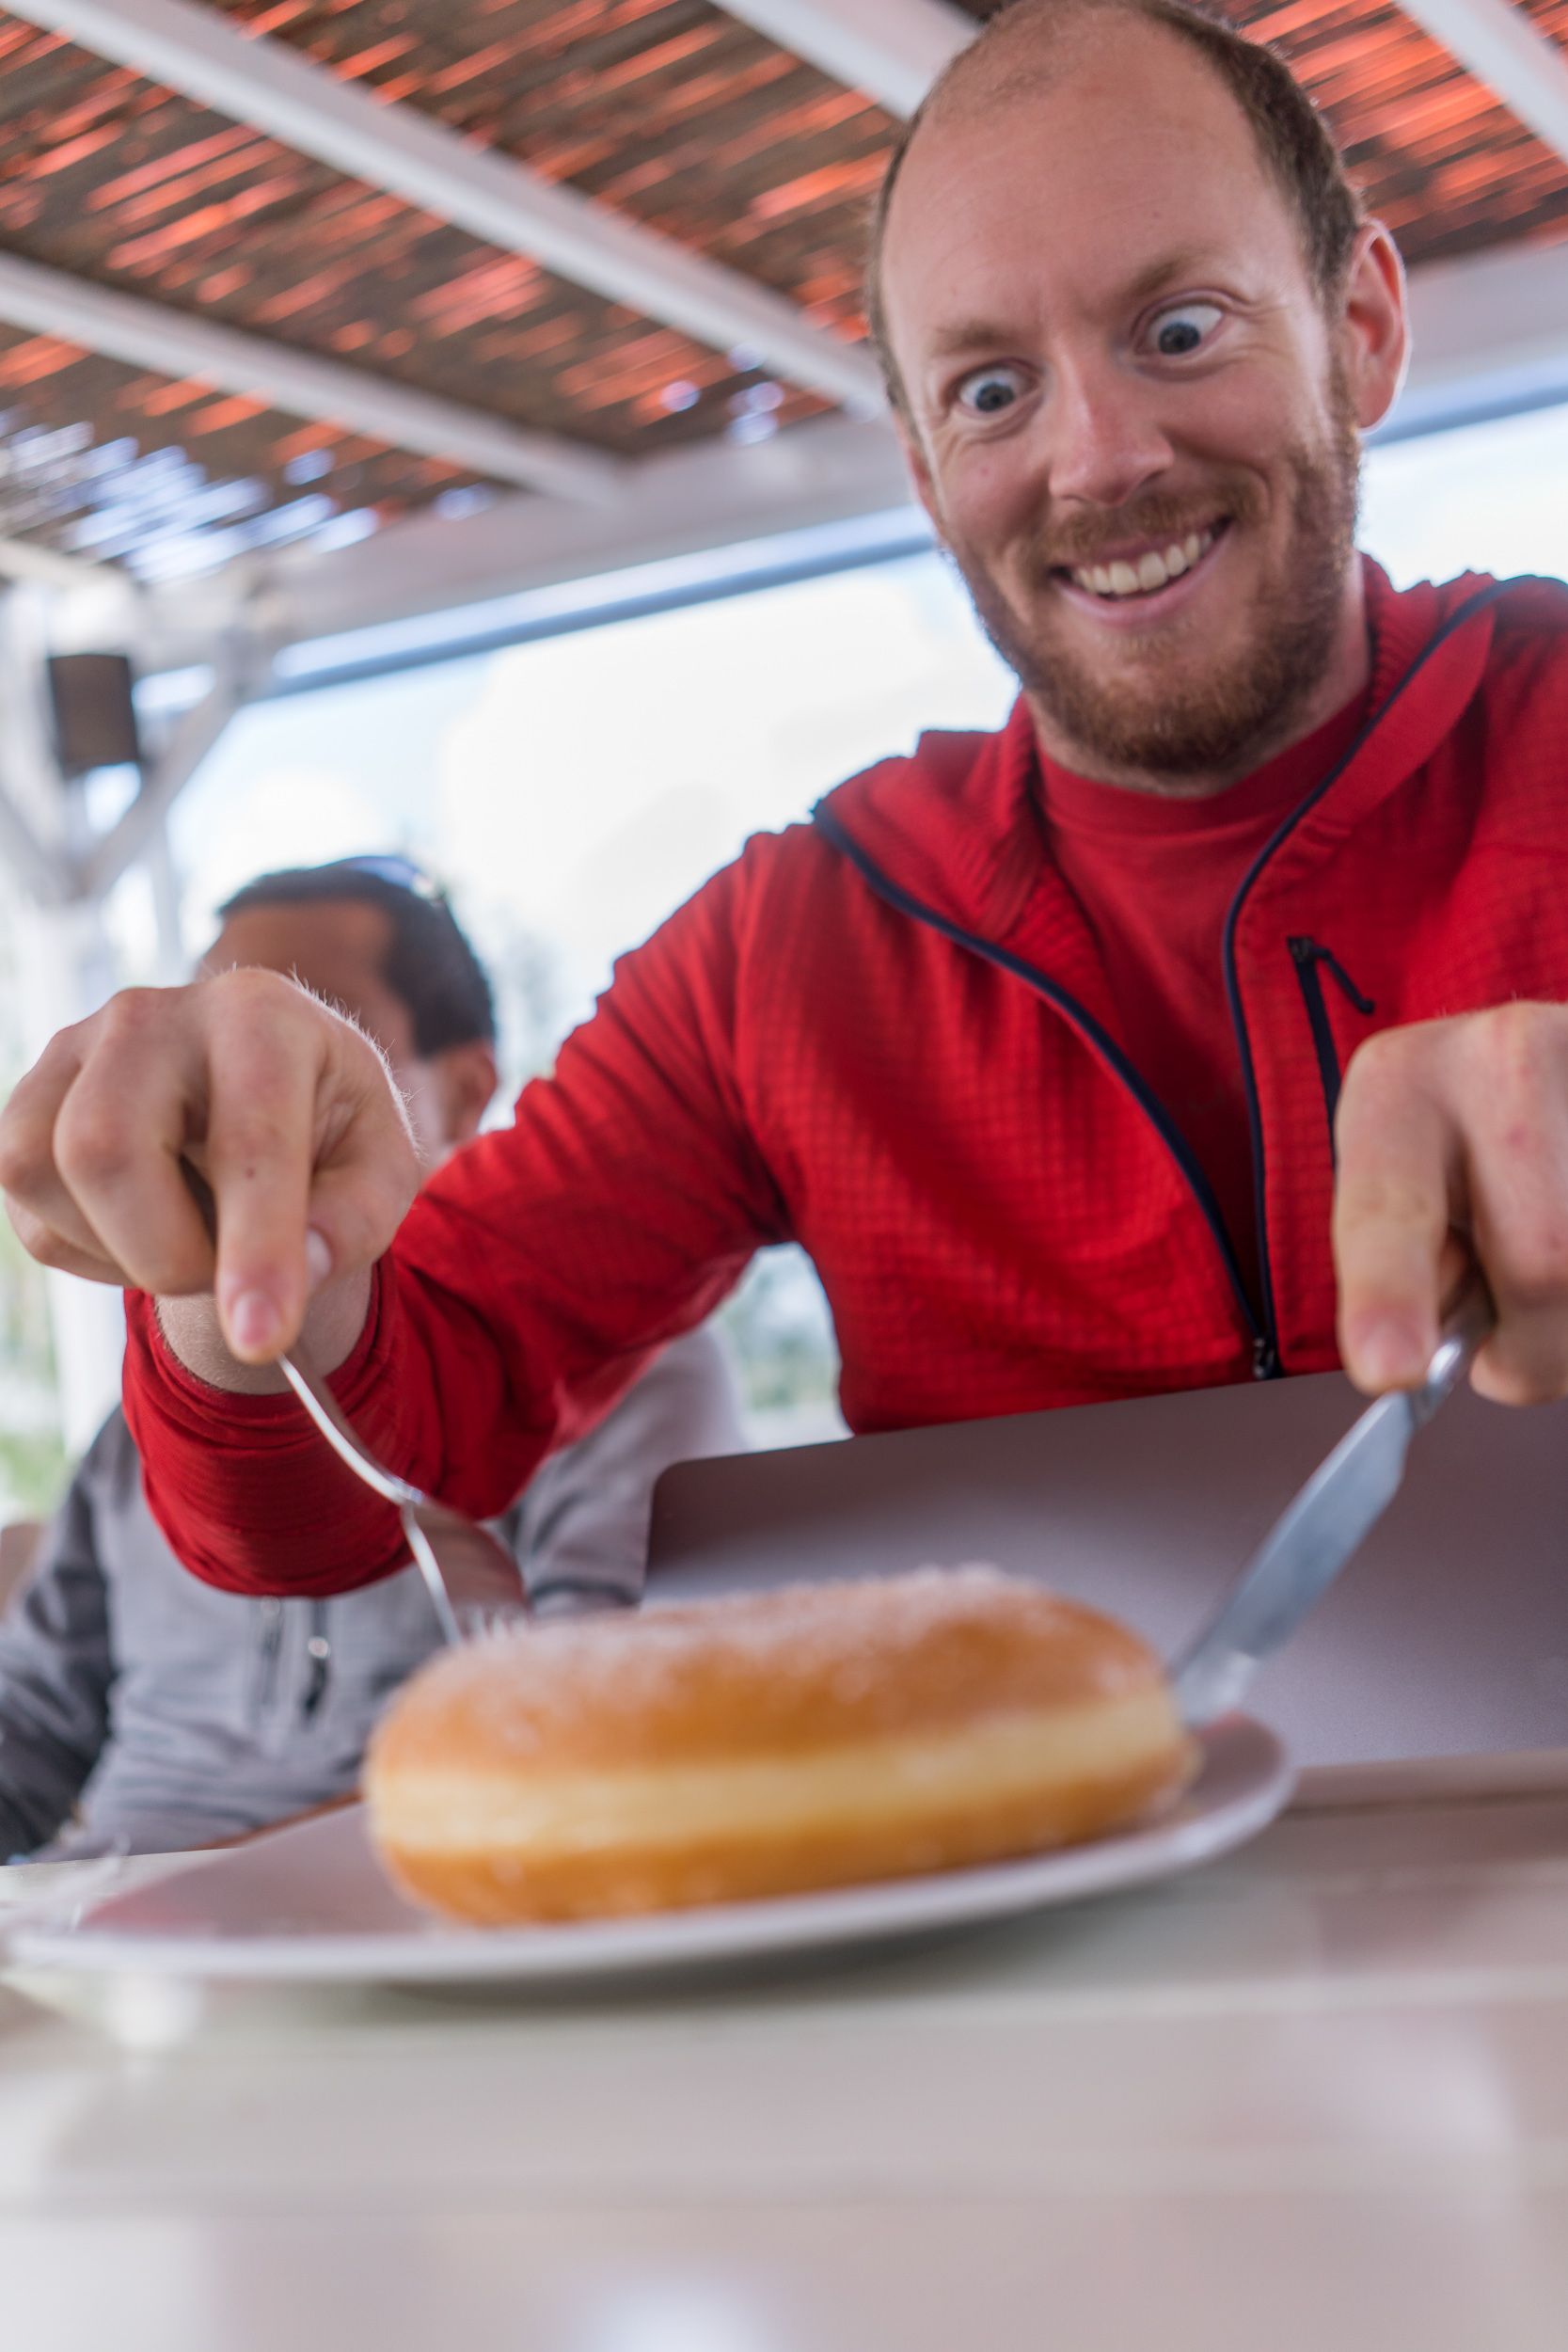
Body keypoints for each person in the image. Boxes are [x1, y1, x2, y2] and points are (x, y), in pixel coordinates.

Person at [3, 0, 1568, 1613]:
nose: (1096, 461)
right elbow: (344, 1482)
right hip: (1059, 1841)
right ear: (917, 469)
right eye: (988, 392)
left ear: (1360, 328)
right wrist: (244, 1247)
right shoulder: (796, 951)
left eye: (1177, 329)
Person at [0, 859, 743, 1855]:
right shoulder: (139, 1424)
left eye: (319, 1033)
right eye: (214, 1048)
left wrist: (201, 1892)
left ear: (467, 1087)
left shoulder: (621, 1362)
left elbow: (604, 1729)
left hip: (417, 1923)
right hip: (94, 1944)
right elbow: (29, 1727)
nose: (243, 1096)